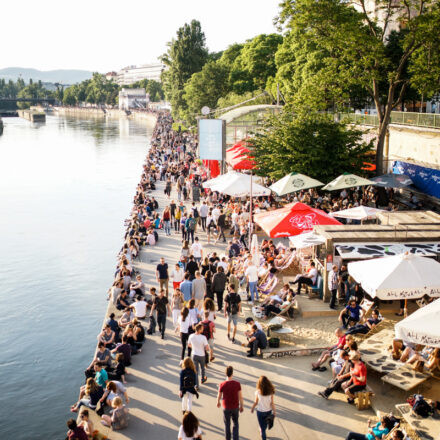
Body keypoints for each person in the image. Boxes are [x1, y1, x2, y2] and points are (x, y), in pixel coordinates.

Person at [217, 366, 244, 440]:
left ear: (225, 374)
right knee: (235, 423)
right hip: (235, 407)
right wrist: (241, 406)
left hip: (226, 407)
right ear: (232, 373)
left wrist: (218, 402)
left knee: (227, 425)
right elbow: (240, 397)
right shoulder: (237, 384)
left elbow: (219, 395)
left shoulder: (222, 384)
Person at [251, 376, 276, 440]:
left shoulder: (258, 392)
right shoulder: (271, 392)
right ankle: (262, 430)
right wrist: (274, 411)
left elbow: (256, 402)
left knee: (263, 428)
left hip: (260, 412)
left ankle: (263, 435)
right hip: (268, 411)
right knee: (264, 426)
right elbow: (272, 403)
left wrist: (252, 408)